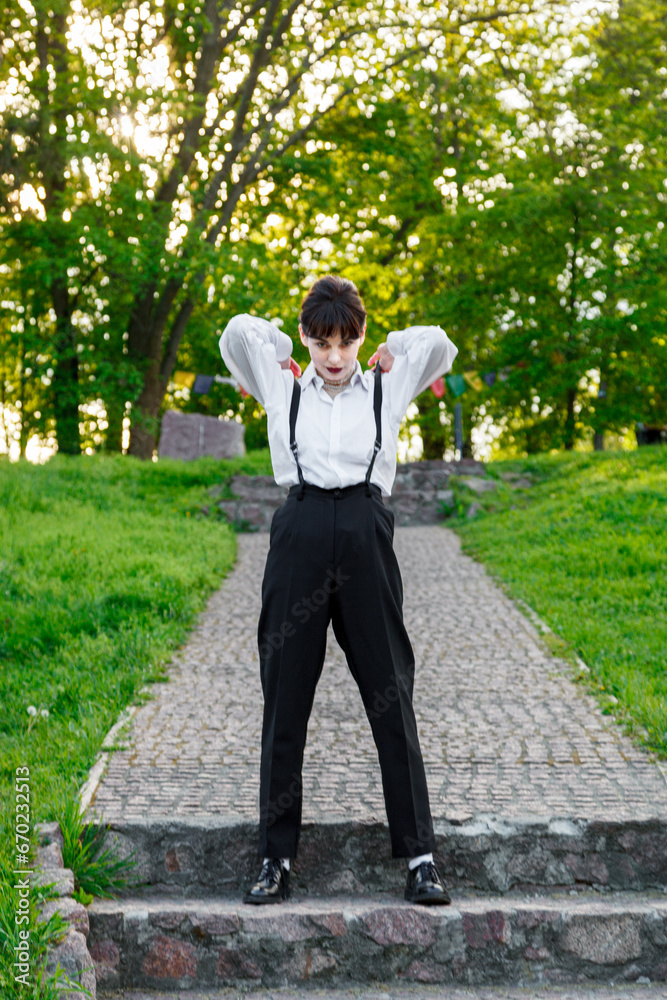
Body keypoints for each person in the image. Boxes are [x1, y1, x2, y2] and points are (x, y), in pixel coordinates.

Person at [219, 275, 458, 906]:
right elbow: (236, 334)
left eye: (345, 342)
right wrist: (280, 351)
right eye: (322, 342)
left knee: (390, 690)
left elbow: (439, 345)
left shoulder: (384, 385)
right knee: (285, 696)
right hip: (298, 529)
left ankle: (421, 860)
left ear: (360, 337)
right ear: (306, 336)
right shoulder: (283, 386)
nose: (333, 357)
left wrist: (392, 347)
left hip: (363, 531)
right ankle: (275, 858)